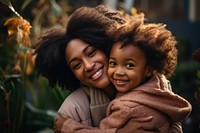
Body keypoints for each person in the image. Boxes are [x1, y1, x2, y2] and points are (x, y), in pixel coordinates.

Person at [34, 5, 184, 133]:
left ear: (106, 47)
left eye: (91, 53)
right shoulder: (72, 110)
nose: (88, 66)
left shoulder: (154, 84)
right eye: (76, 65)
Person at [98, 13, 192, 132]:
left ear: (149, 70)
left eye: (129, 65)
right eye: (113, 63)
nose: (118, 72)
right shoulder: (161, 88)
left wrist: (69, 125)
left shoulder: (125, 107)